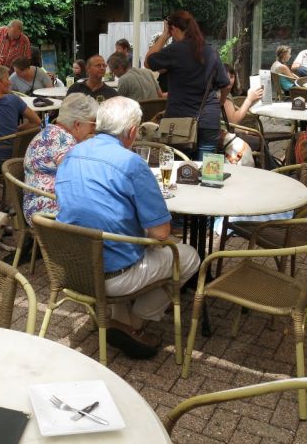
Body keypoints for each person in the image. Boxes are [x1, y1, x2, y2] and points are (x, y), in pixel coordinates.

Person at [54, 97, 199, 358]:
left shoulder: (71, 154)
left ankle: (118, 318)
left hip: (74, 268)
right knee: (188, 256)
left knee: (125, 241)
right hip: (115, 276)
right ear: (132, 131)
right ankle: (135, 321)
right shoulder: (131, 163)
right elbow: (160, 233)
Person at [145, 10, 230, 159]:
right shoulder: (210, 51)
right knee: (207, 168)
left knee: (180, 166)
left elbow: (148, 62)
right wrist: (221, 102)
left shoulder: (174, 50)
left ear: (174, 29)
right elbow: (226, 85)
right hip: (209, 119)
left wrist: (164, 35)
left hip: (179, 120)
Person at [22, 94, 98, 224]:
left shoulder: (51, 132)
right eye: (93, 124)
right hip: (47, 212)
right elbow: (78, 179)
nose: (94, 129)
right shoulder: (63, 140)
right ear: (78, 124)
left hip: (38, 205)